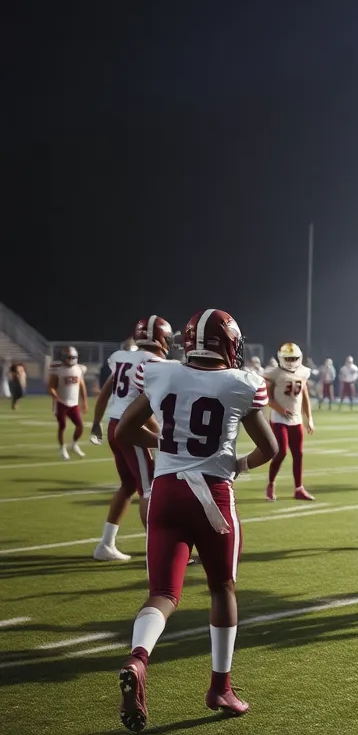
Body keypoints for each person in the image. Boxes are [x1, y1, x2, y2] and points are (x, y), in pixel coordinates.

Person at [113, 308, 277, 732]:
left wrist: (165, 440)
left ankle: (139, 657)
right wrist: (237, 463)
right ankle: (220, 686)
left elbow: (125, 431)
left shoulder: (163, 373)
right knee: (222, 588)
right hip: (214, 496)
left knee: (163, 593)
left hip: (167, 492)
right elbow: (271, 447)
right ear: (229, 344)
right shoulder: (243, 383)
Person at [89, 316, 174, 562]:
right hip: (131, 429)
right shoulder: (155, 363)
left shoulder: (122, 356)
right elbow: (142, 403)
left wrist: (96, 423)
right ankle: (159, 551)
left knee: (128, 486)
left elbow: (106, 391)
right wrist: (162, 434)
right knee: (149, 489)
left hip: (115, 425)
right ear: (161, 338)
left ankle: (106, 544)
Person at [262, 343, 315, 501]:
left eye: (294, 358)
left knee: (298, 454)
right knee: (281, 452)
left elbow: (304, 396)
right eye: (288, 358)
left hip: (296, 419)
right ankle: (271, 484)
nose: (291, 361)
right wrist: (280, 409)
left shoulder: (303, 372)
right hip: (279, 419)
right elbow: (268, 398)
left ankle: (299, 488)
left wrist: (309, 418)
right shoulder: (274, 373)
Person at [48, 346, 88, 459]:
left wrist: (84, 401)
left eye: (73, 357)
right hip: (61, 403)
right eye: (68, 357)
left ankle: (74, 445)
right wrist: (56, 397)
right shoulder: (58, 369)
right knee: (62, 426)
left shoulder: (79, 369)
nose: (70, 359)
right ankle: (62, 449)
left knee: (80, 426)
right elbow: (51, 386)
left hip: (73, 404)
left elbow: (82, 385)